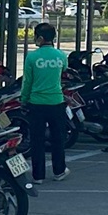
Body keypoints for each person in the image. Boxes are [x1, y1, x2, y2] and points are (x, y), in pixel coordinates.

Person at [21, 23, 70, 183]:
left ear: (40, 38)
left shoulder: (32, 57)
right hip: (56, 101)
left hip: (36, 103)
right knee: (58, 138)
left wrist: (24, 100)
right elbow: (63, 73)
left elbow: (27, 82)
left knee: (37, 140)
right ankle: (59, 171)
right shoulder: (61, 56)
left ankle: (38, 175)